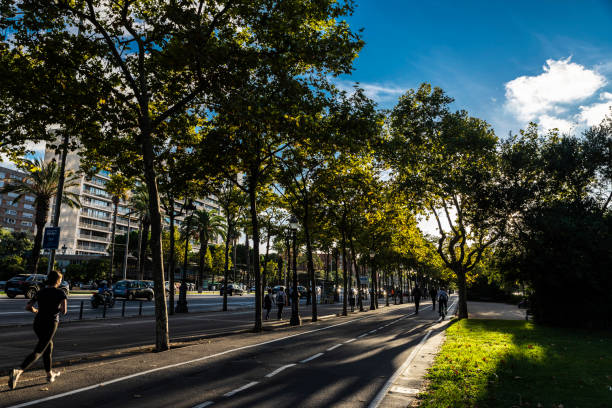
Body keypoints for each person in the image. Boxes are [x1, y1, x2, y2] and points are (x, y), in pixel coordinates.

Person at [9, 270, 67, 390]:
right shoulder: (61, 293)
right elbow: (64, 311)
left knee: (48, 346)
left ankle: (49, 374)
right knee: (40, 349)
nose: (61, 281)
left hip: (38, 323)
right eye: (60, 280)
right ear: (58, 281)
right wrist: (56, 307)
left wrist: (37, 311)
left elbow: (28, 307)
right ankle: (18, 371)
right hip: (51, 324)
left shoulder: (41, 292)